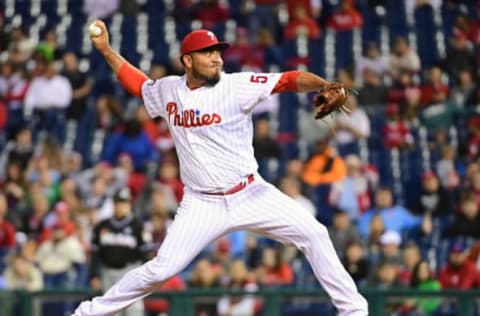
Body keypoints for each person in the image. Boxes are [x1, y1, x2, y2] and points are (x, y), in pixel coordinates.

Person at [72, 20, 368, 316]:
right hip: (202, 203)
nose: (217, 58)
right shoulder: (169, 90)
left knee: (314, 233)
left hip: (251, 192)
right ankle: (88, 313)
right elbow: (140, 85)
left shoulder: (237, 86)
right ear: (188, 60)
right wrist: (107, 51)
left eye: (218, 51)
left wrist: (323, 85)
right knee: (160, 270)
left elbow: (288, 80)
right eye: (207, 53)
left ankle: (354, 311)